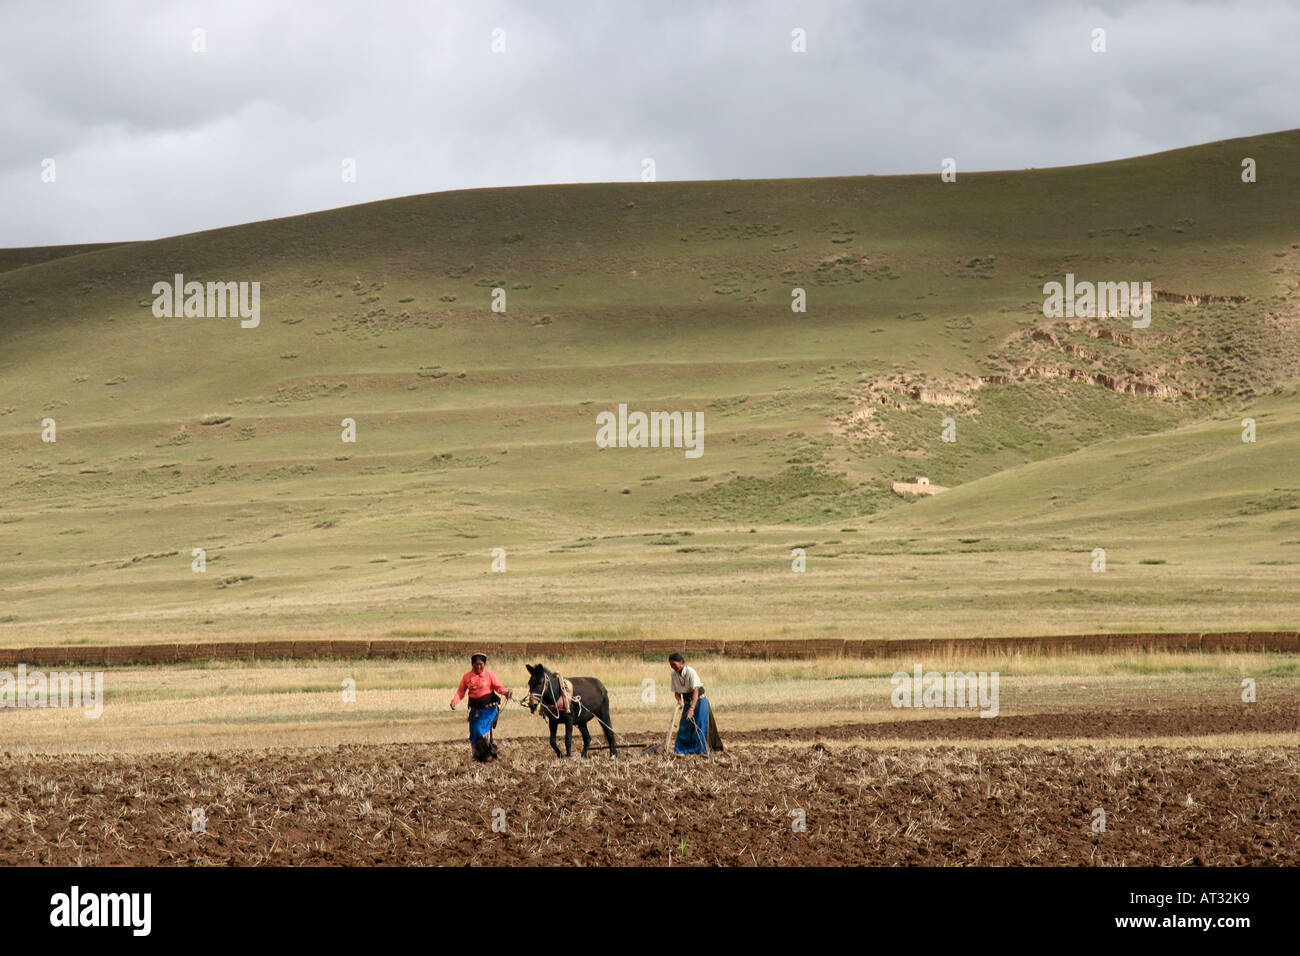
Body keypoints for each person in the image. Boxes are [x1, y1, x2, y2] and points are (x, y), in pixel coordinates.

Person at [450, 653, 513, 761]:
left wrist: (506, 692)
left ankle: (489, 751)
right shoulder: (467, 677)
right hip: (475, 710)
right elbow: (460, 692)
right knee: (474, 733)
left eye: (481, 664)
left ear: (484, 664)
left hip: (489, 709)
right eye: (476, 665)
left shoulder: (490, 675)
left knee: (480, 730)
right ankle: (478, 755)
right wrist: (454, 701)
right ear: (472, 664)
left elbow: (499, 687)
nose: (478, 667)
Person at [669, 652, 722, 754]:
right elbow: (676, 692)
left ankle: (700, 750)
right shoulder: (674, 675)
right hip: (687, 701)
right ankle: (681, 750)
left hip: (700, 700)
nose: (673, 667)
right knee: (685, 726)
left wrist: (692, 708)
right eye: (671, 665)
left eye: (674, 664)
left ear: (681, 662)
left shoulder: (690, 671)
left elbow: (696, 690)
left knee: (700, 724)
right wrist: (679, 701)